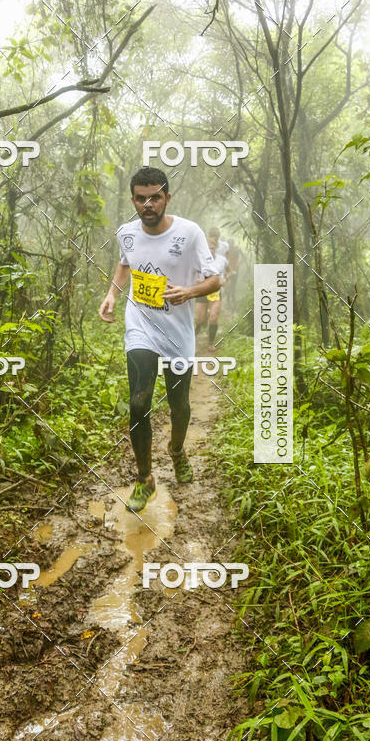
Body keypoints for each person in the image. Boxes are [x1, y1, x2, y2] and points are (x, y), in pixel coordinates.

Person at [98, 166, 221, 513]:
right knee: (139, 402)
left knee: (179, 404)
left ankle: (177, 450)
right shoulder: (127, 233)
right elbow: (126, 263)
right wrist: (112, 294)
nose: (148, 204)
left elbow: (215, 281)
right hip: (141, 325)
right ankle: (144, 479)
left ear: (167, 197)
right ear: (133, 200)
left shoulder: (191, 233)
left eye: (155, 197)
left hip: (178, 331)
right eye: (141, 198)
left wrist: (189, 291)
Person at [195, 231, 229, 350]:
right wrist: (196, 281)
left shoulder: (222, 260)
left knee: (213, 317)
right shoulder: (199, 259)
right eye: (208, 248)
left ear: (216, 248)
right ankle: (193, 338)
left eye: (213, 248)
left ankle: (210, 343)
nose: (211, 250)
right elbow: (192, 273)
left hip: (216, 292)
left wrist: (225, 280)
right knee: (200, 319)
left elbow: (229, 271)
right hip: (202, 291)